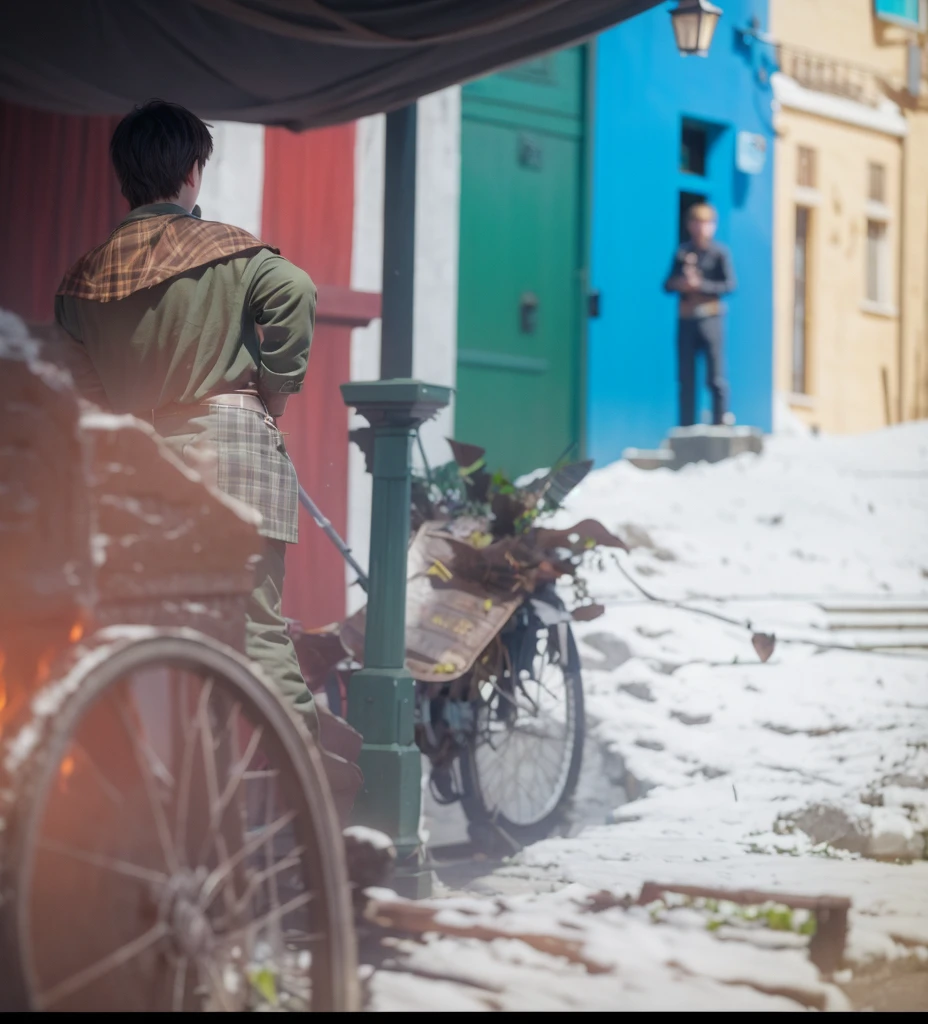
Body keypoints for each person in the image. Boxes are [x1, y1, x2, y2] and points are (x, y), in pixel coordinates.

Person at [54, 99, 317, 728]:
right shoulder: (232, 252)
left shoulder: (81, 280)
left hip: (132, 477)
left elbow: (83, 391)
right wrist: (275, 392)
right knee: (254, 635)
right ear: (192, 170)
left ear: (125, 176)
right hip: (228, 457)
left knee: (147, 648)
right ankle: (309, 812)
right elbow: (297, 291)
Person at [663, 203, 736, 427]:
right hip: (687, 318)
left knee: (715, 377)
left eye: (706, 223)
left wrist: (700, 285)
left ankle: (718, 424)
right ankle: (686, 426)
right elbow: (666, 284)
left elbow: (729, 285)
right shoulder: (683, 253)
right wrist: (681, 284)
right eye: (696, 222)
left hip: (710, 318)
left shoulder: (719, 253)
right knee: (686, 377)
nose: (701, 228)